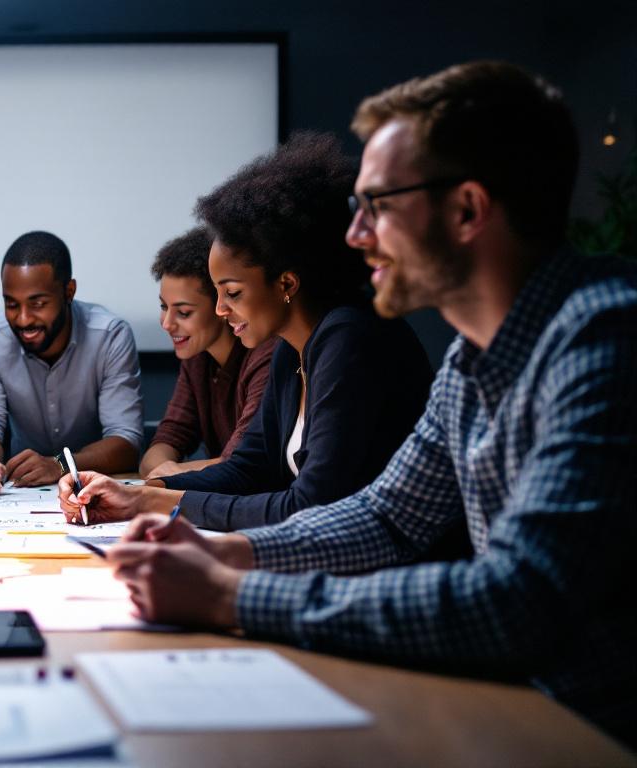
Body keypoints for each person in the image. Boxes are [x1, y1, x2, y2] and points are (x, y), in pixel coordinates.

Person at [71, 61, 637, 748]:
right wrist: (234, 553)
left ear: (466, 210)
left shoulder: (604, 339)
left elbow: (516, 602)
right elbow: (386, 517)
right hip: (508, 703)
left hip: (587, 730)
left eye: (378, 205)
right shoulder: (472, 356)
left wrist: (229, 593)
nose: (355, 235)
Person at [64, 134, 432, 531]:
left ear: (286, 284)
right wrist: (138, 493)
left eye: (233, 293)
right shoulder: (291, 350)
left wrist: (153, 501)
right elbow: (248, 469)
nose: (221, 309)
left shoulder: (349, 340)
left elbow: (310, 508)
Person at [0, 231, 143, 496]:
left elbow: (126, 443)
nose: (23, 319)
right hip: (20, 492)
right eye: (11, 304)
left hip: (93, 490)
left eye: (38, 304)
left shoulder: (109, 335)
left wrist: (61, 465)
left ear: (69, 292)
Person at [139, 227, 276, 479]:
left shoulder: (265, 355)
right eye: (164, 307)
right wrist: (163, 470)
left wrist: (171, 474)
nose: (167, 324)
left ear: (222, 305)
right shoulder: (198, 357)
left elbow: (240, 462)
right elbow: (167, 439)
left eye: (183, 313)